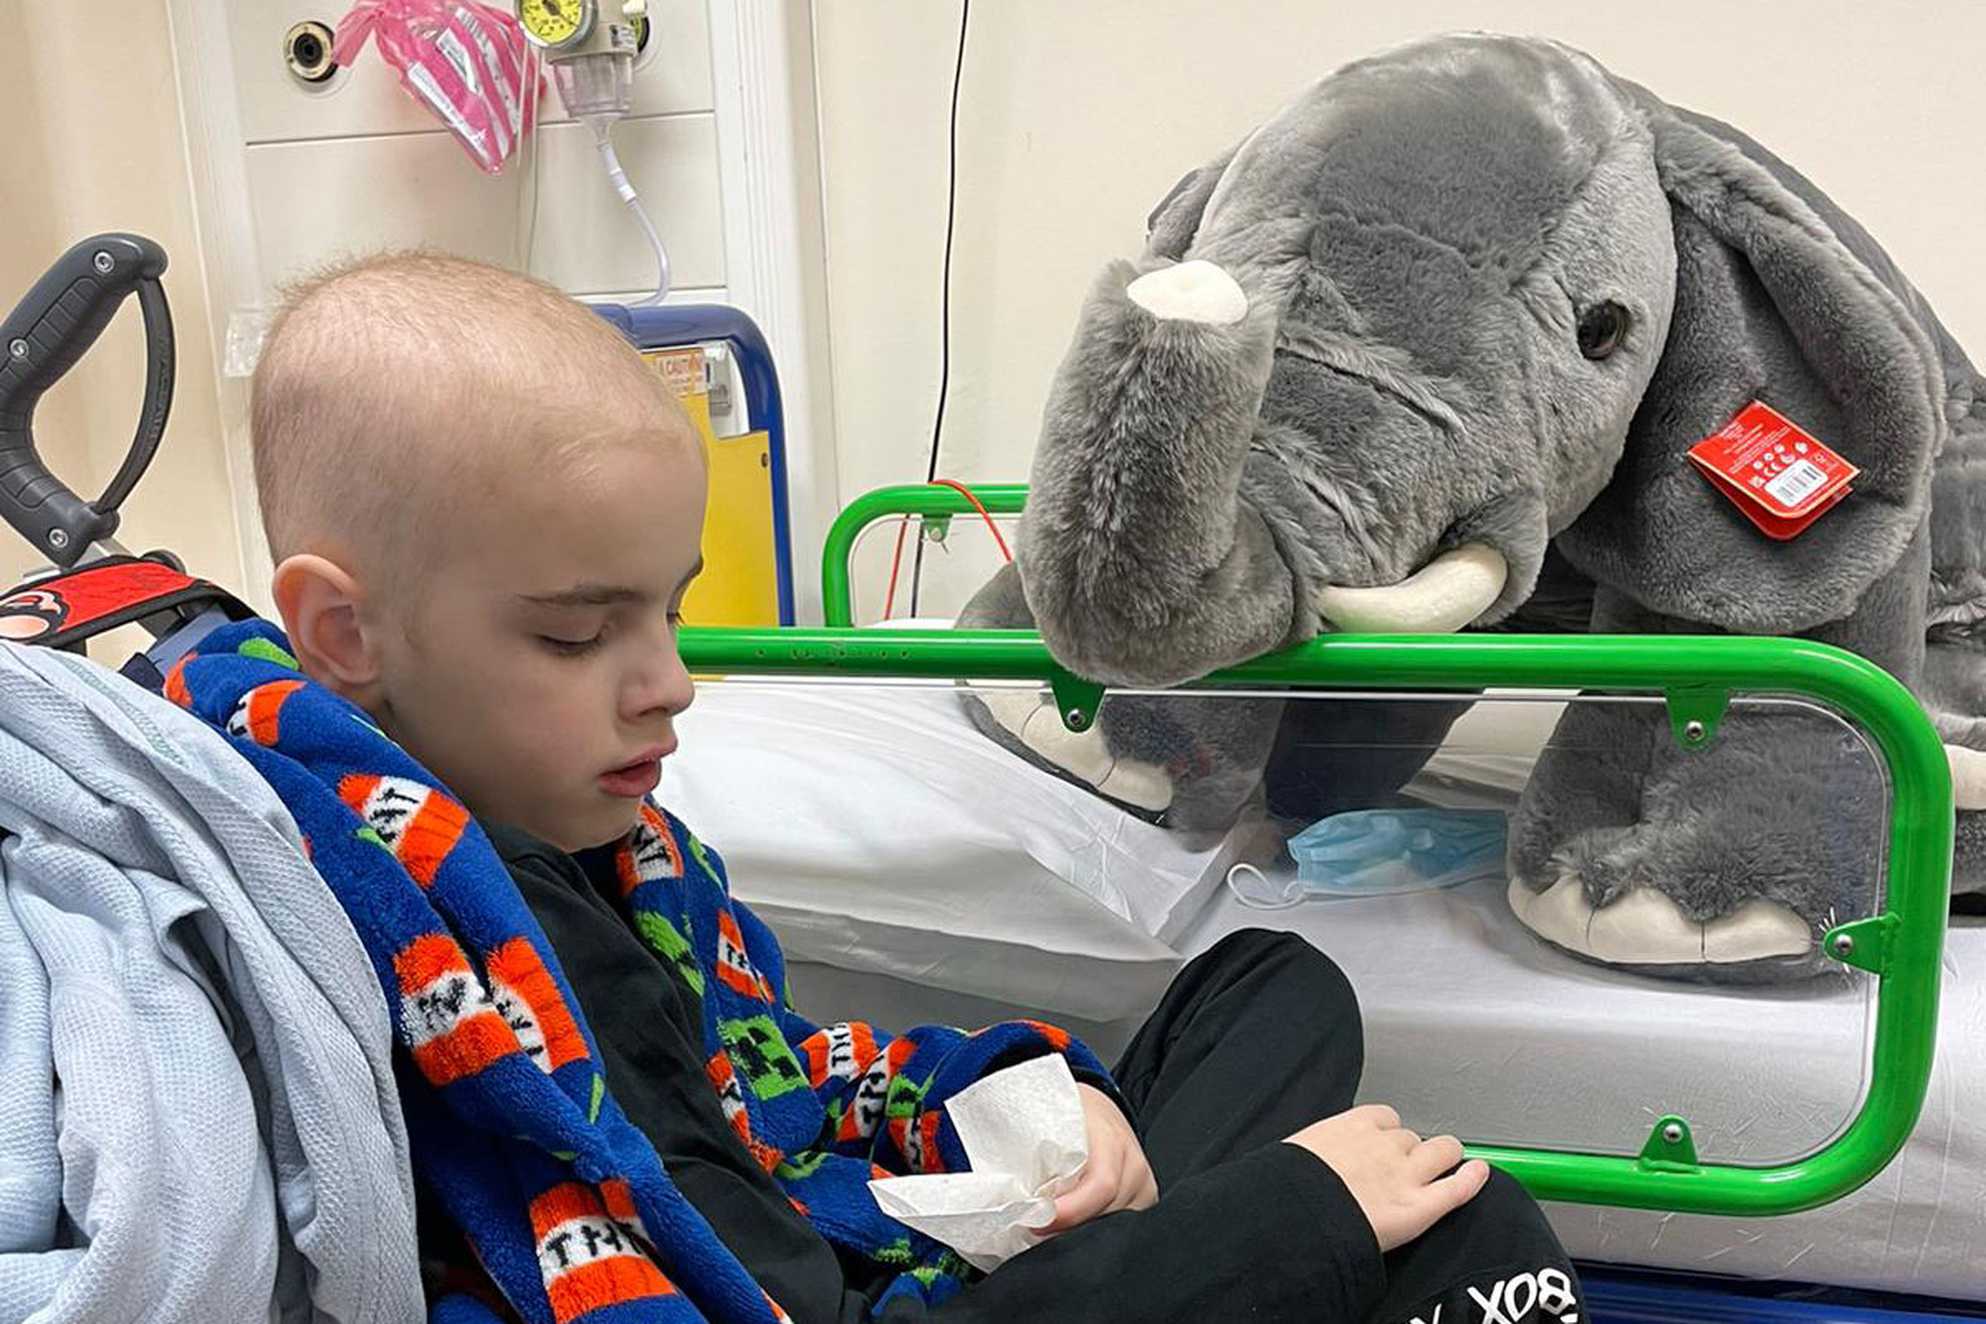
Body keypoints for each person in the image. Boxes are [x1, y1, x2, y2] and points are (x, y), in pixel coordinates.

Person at [246, 251, 1581, 1323]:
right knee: (1474, 1234)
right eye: (576, 633)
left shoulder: (600, 832)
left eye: (668, 614)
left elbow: (775, 1069)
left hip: (854, 1204)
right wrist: (1281, 1220)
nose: (668, 683)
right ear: (349, 636)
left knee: (1272, 980)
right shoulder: (480, 945)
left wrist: (1041, 1103)